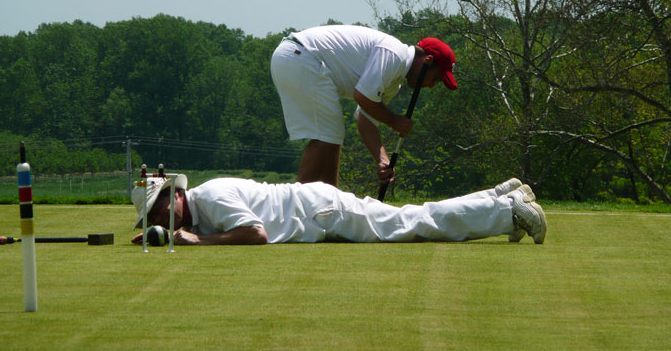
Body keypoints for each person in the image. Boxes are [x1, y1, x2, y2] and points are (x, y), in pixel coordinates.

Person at [270, 25, 458, 187]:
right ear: (427, 61)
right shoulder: (394, 55)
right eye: (435, 79)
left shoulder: (394, 80)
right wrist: (394, 120)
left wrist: (382, 160)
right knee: (326, 137)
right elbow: (363, 97)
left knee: (332, 137)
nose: (431, 86)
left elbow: (365, 118)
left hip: (296, 57)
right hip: (301, 56)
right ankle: (297, 211)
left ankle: (328, 210)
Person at [130, 175, 547, 246]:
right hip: (318, 207)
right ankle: (498, 197)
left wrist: (194, 240)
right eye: (151, 220)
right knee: (409, 216)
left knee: (412, 224)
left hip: (321, 211)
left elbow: (255, 234)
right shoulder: (199, 205)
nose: (158, 220)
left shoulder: (212, 197)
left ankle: (509, 210)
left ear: (174, 193)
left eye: (157, 210)